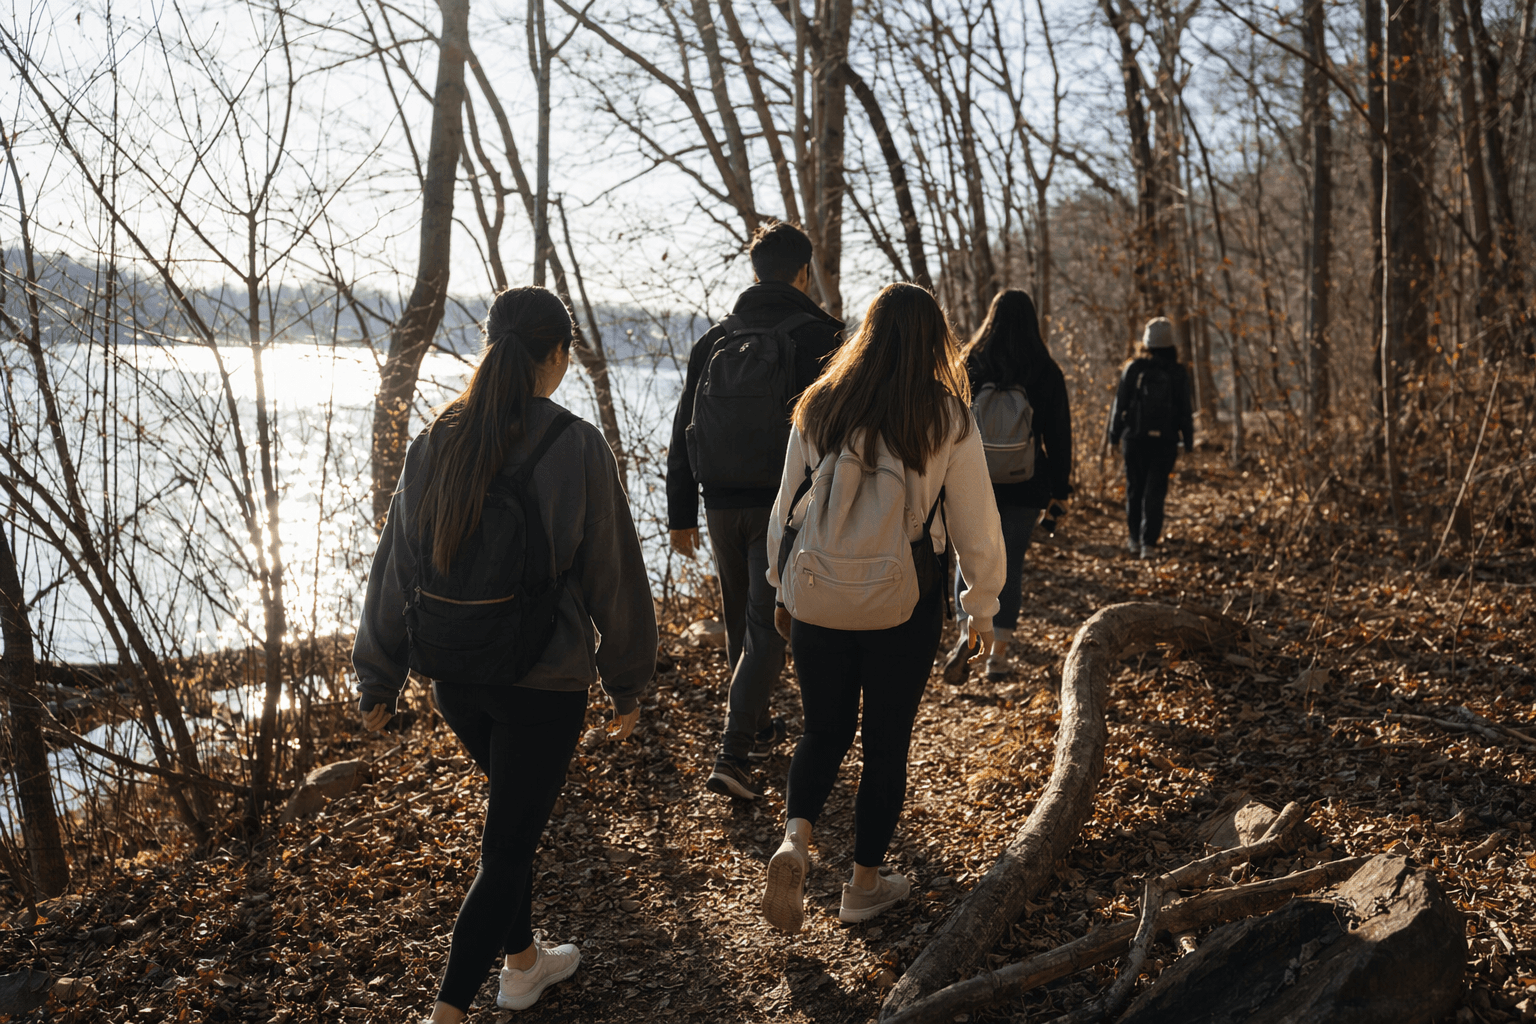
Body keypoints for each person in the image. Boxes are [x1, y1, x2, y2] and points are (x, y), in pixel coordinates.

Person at [353, 287, 657, 1024]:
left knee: (511, 826)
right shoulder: (575, 445)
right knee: (509, 849)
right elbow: (613, 570)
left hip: (455, 674)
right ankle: (447, 1013)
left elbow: (396, 564)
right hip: (542, 682)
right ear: (555, 355)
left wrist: (379, 677)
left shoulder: (438, 438)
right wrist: (627, 680)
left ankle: (523, 967)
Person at [760, 283, 1005, 933]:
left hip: (817, 595)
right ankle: (864, 885)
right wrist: (981, 606)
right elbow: (977, 524)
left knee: (822, 730)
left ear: (865, 335)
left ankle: (795, 840)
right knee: (886, 743)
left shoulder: (820, 404)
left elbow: (786, 510)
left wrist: (781, 588)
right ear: (935, 341)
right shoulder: (945, 416)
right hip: (905, 599)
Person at [666, 221, 844, 801]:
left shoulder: (714, 339)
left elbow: (683, 428)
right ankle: (733, 754)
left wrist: (680, 512)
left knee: (742, 621)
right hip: (785, 506)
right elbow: (840, 435)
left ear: (755, 270)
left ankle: (759, 727)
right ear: (803, 272)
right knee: (767, 628)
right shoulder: (823, 338)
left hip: (719, 502)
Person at [941, 289, 1073, 682]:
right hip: (1026, 485)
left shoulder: (969, 363)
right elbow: (1059, 436)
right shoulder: (1045, 370)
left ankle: (966, 637)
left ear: (991, 318)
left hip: (971, 480)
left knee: (968, 559)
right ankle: (997, 655)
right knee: (1009, 566)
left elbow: (947, 424)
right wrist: (1060, 490)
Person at [1108, 316, 1195, 558]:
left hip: (1134, 439)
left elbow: (1120, 404)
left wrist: (1114, 437)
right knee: (1156, 490)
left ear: (1146, 342)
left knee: (1134, 488)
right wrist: (1188, 442)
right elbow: (1185, 409)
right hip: (1165, 440)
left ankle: (1133, 539)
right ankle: (1149, 543)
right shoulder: (1177, 372)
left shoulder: (1134, 368)